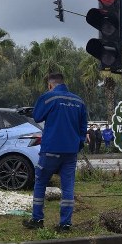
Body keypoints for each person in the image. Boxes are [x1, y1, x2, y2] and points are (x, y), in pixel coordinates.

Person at [24, 73, 88, 233]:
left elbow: (37, 116)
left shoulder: (48, 98)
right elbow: (83, 128)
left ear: (50, 85)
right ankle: (65, 224)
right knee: (68, 187)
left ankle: (37, 219)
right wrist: (77, 145)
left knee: (40, 182)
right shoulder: (79, 101)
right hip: (70, 152)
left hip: (51, 149)